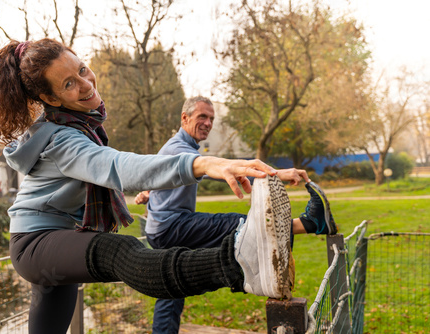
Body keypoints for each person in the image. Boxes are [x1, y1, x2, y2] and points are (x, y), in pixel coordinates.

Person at [0, 38, 310, 334]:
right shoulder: (60, 139)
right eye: (69, 83)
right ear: (49, 97)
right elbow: (118, 166)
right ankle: (241, 265)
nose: (86, 83)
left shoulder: (77, 126)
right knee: (123, 253)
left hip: (59, 238)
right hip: (37, 244)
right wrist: (206, 164)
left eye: (82, 69)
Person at [135, 96, 338, 334]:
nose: (208, 123)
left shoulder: (179, 147)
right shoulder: (178, 148)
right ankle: (308, 224)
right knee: (239, 224)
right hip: (171, 227)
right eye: (202, 116)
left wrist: (150, 193)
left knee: (171, 289)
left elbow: (160, 173)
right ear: (184, 118)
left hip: (163, 228)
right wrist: (276, 173)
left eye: (211, 118)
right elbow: (214, 164)